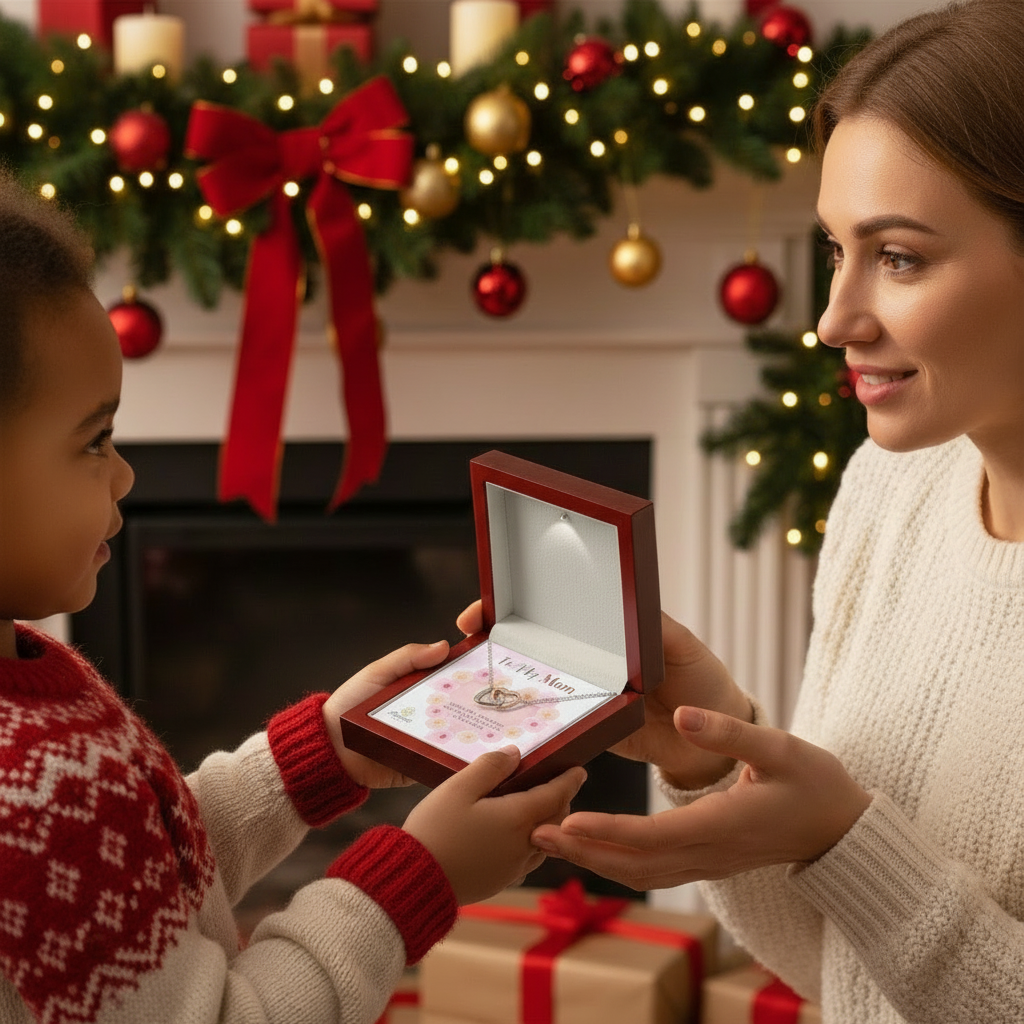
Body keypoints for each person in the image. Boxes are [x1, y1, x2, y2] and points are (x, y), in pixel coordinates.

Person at [473, 2, 1024, 1021]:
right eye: (836, 250)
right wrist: (713, 756)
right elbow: (833, 968)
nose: (833, 319)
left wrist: (844, 838)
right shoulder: (888, 492)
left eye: (898, 256)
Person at [0, 176, 587, 1024]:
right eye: (95, 441)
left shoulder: (31, 688)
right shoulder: (26, 793)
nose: (124, 475)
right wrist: (415, 879)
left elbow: (134, 875)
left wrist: (319, 758)